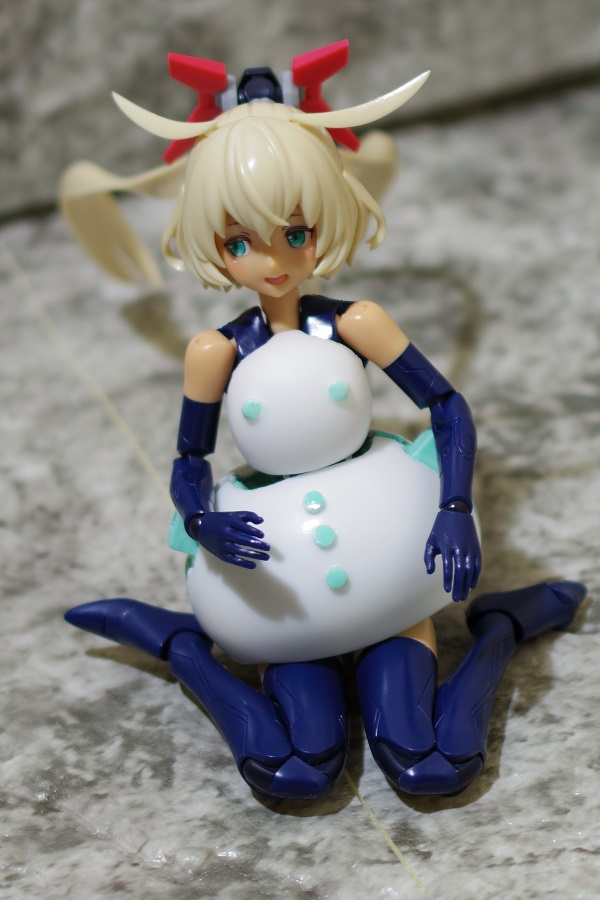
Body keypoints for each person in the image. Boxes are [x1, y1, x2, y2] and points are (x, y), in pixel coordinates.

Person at [62, 52, 585, 802]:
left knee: (432, 765)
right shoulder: (214, 352)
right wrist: (201, 520)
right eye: (239, 242)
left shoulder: (358, 323)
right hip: (278, 596)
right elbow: (188, 458)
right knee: (296, 771)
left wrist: (454, 507)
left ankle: (501, 627)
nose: (272, 260)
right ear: (212, 245)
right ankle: (180, 647)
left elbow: (446, 405)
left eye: (295, 232)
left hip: (392, 578)